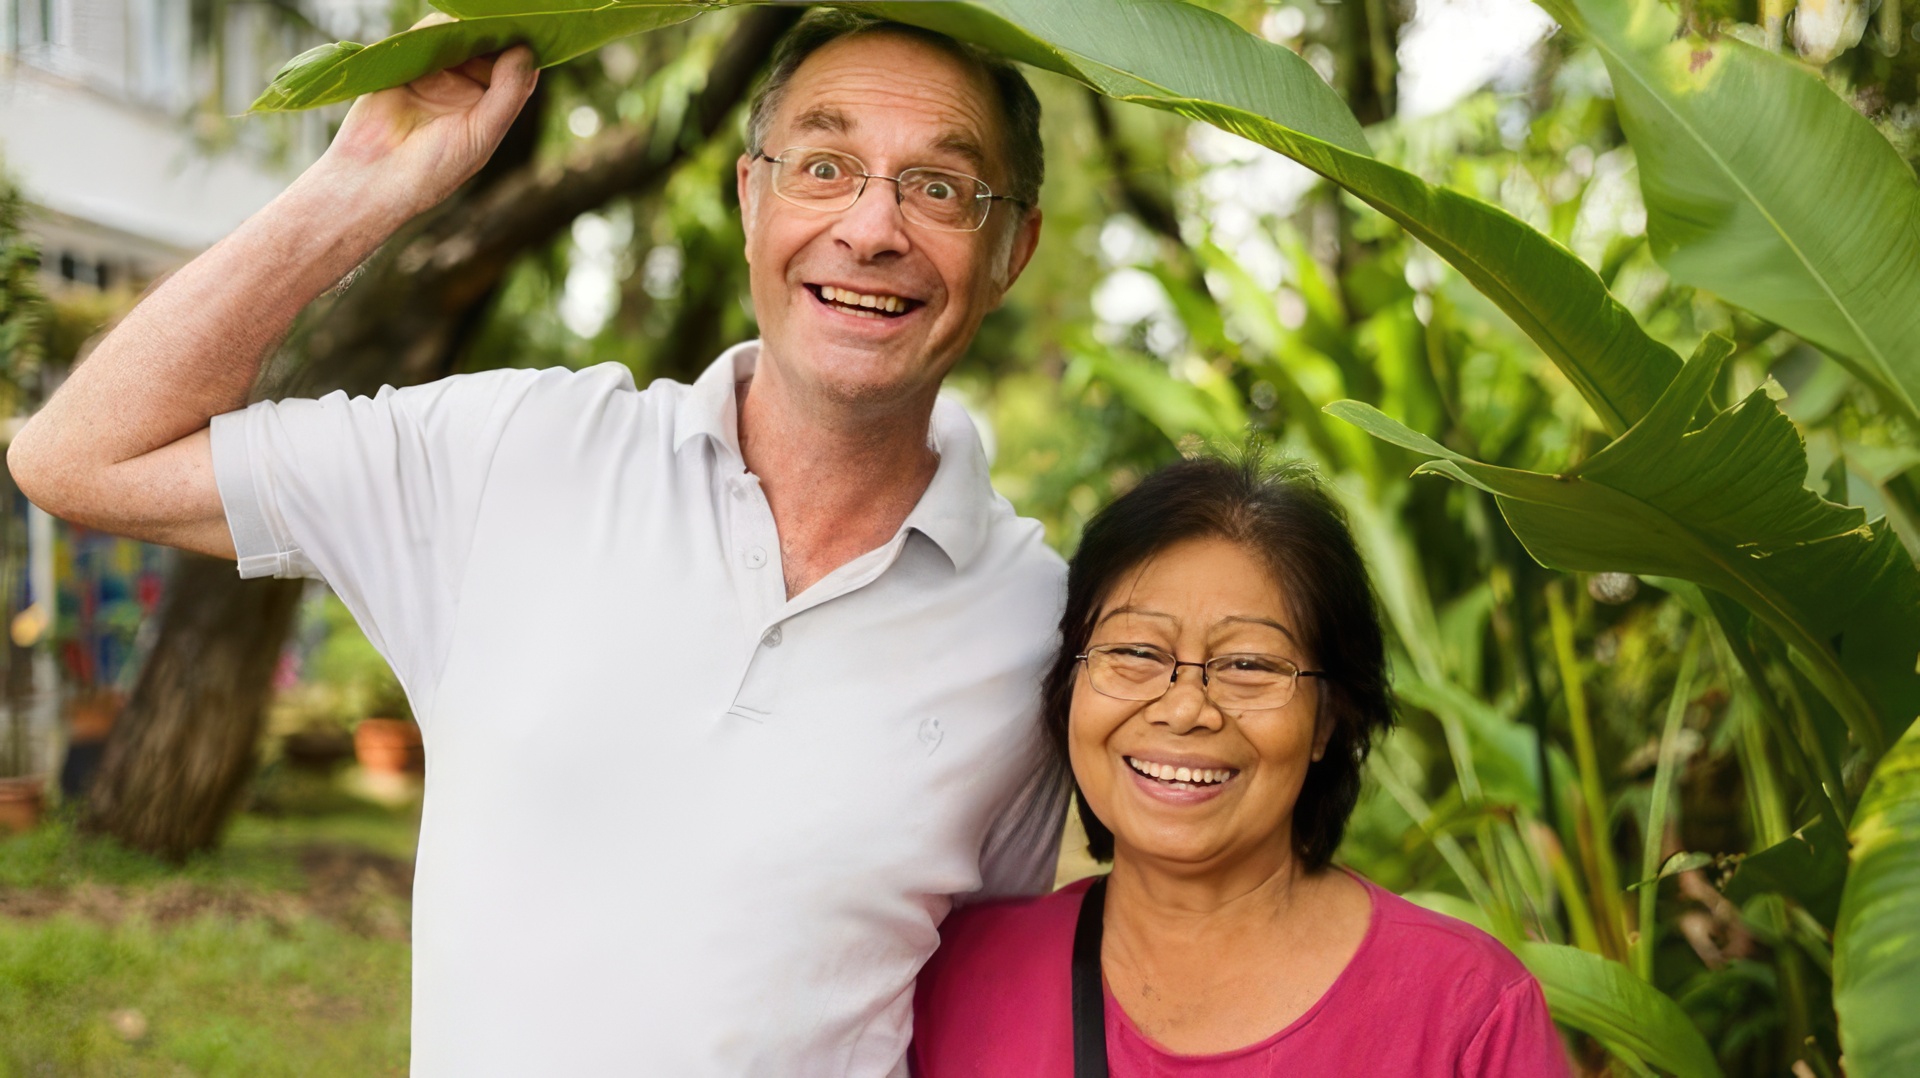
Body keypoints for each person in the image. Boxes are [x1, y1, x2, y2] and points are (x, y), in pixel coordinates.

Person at [9, 12, 1069, 1075]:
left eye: (940, 187)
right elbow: (78, 457)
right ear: (751, 199)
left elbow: (984, 1002)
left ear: (1012, 249)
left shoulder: (1041, 629)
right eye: (825, 165)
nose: (872, 226)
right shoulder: (516, 453)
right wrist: (363, 188)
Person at [912, 453, 1571, 1075]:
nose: (1185, 708)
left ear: (1328, 718)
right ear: (1069, 687)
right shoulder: (953, 980)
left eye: (1249, 665)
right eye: (1137, 653)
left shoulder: (1468, 1012)